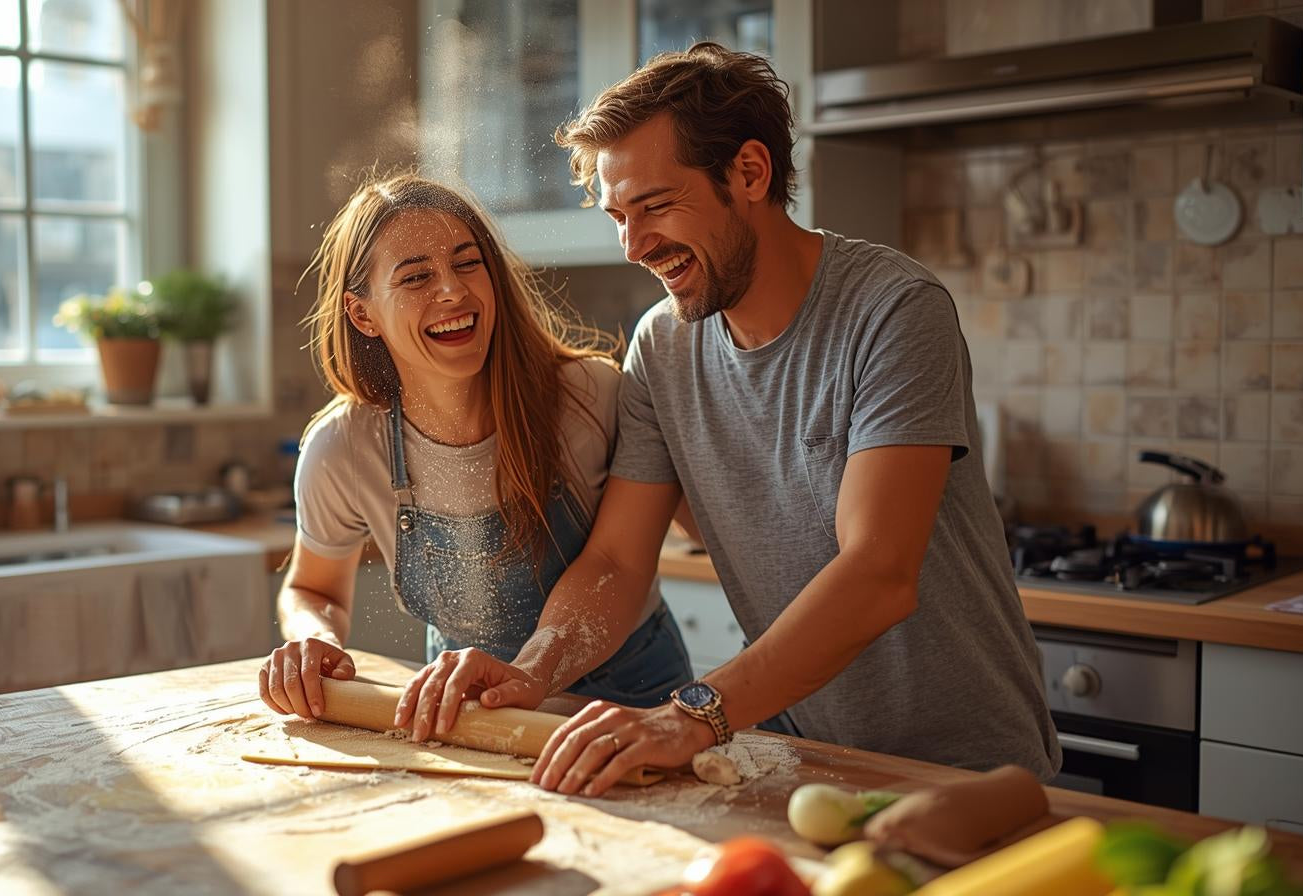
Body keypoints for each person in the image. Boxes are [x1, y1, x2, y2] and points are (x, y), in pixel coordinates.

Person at [395, 43, 1061, 797]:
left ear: (749, 173)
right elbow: (617, 559)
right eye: (618, 216)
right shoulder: (663, 347)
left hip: (961, 768)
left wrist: (694, 715)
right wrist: (532, 668)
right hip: (796, 756)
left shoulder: (893, 310)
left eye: (655, 205)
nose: (633, 245)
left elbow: (878, 572)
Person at [256, 174, 694, 733]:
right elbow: (311, 588)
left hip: (637, 707)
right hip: (473, 718)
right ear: (362, 315)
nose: (452, 292)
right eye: (416, 276)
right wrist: (312, 640)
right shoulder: (344, 447)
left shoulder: (588, 398)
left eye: (467, 263)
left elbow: (620, 563)